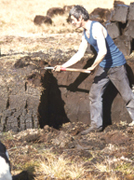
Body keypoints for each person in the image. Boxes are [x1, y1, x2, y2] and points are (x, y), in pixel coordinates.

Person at [54, 5, 134, 134]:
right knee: (94, 94)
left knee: (127, 95)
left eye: (73, 20)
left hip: (116, 65)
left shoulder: (96, 27)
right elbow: (79, 54)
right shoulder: (85, 33)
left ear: (80, 17)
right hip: (104, 66)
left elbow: (103, 51)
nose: (72, 22)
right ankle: (96, 126)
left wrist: (92, 67)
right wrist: (63, 66)